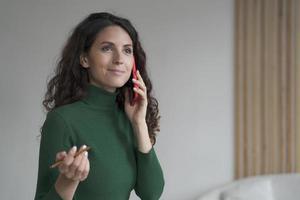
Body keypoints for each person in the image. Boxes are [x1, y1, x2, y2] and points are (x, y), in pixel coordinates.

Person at [34, 12, 165, 200]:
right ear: (84, 59)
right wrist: (68, 180)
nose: (119, 59)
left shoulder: (128, 117)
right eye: (107, 49)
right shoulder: (62, 120)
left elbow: (151, 193)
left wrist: (139, 124)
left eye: (127, 50)